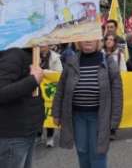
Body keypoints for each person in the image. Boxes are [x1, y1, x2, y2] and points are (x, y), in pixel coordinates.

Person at [52, 40, 123, 168]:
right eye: (85, 37)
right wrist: (56, 113)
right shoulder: (71, 61)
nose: (88, 40)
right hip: (78, 116)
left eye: (92, 37)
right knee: (82, 152)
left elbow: (117, 93)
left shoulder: (108, 61)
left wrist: (114, 121)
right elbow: (61, 89)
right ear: (79, 42)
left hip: (99, 117)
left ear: (98, 41)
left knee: (98, 154)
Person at [0, 48, 44, 168]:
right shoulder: (14, 54)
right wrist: (33, 80)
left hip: (25, 132)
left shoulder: (26, 53)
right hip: (13, 135)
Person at [39, 45, 63, 148]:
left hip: (49, 88)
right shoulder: (34, 56)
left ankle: (50, 136)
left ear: (48, 46)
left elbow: (59, 73)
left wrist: (45, 73)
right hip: (37, 88)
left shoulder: (55, 58)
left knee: (49, 112)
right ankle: (38, 133)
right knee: (37, 111)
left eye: (44, 45)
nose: (42, 47)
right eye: (40, 45)